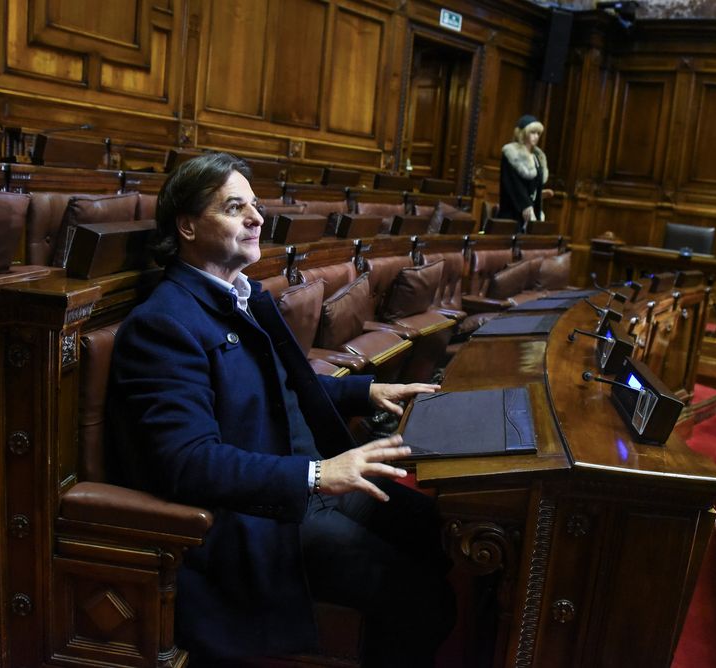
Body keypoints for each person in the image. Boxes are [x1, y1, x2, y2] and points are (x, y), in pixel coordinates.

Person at [106, 152, 456, 666]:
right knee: (424, 602)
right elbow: (186, 462)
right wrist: (316, 475)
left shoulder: (241, 296)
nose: (256, 218)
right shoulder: (163, 324)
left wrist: (366, 392)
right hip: (260, 520)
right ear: (187, 226)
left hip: (309, 488)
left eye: (255, 206)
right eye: (234, 208)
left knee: (440, 530)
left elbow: (278, 386)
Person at [499, 114, 554, 231]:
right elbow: (512, 183)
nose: (536, 136)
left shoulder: (538, 157)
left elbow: (534, 185)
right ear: (523, 133)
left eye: (538, 133)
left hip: (531, 211)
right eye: (532, 133)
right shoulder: (511, 153)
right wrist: (525, 205)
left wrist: (539, 198)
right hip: (513, 212)